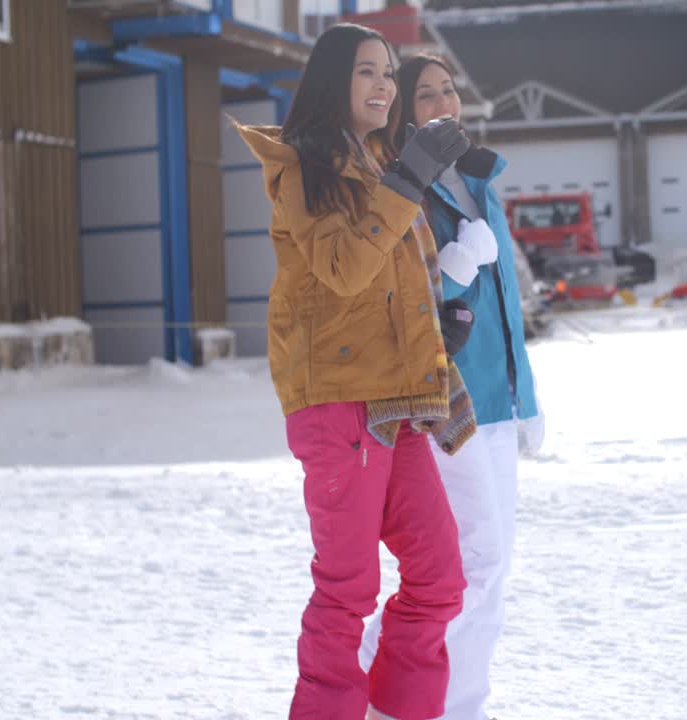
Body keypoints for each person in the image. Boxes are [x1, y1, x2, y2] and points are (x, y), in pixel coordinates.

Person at [234, 25, 477, 720]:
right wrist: (407, 180)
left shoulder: (376, 163)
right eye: (367, 72)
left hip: (396, 394)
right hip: (337, 401)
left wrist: (437, 326)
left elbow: (396, 279)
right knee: (347, 589)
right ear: (332, 80)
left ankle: (401, 710)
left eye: (389, 75)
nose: (384, 87)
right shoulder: (300, 167)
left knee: (439, 577)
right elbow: (343, 270)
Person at [359, 53, 544, 720]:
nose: (442, 102)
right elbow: (417, 296)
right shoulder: (404, 187)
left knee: (492, 577)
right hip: (450, 402)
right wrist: (461, 260)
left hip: (501, 400)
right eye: (425, 93)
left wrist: (529, 398)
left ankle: (460, 702)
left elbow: (506, 305)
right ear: (404, 111)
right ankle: (380, 666)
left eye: (448, 90)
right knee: (471, 564)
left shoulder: (478, 182)